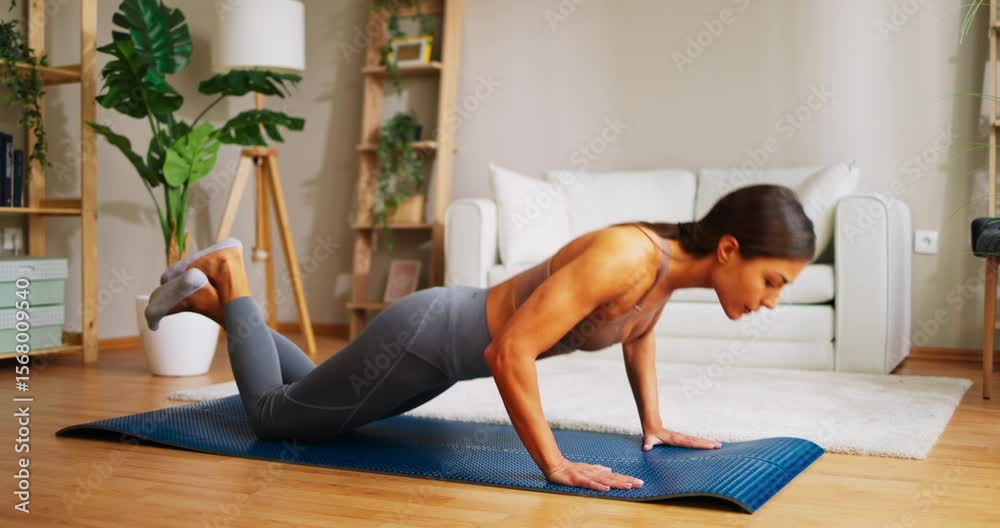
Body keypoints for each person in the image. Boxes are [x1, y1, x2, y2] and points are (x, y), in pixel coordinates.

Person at [144, 183, 815, 493]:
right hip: (430, 339)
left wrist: (656, 423)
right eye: (774, 280)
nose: (772, 300)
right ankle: (230, 276)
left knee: (304, 394)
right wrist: (554, 465)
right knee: (270, 419)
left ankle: (207, 302)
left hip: (433, 348)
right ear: (730, 249)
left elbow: (636, 334)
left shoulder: (666, 268)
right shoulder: (629, 256)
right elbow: (509, 351)